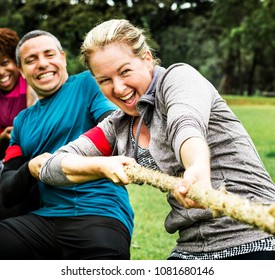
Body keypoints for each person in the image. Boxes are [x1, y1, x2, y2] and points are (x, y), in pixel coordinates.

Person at [38, 19, 275, 260]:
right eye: (105, 80)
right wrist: (101, 166)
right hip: (191, 248)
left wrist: (197, 168)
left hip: (254, 235)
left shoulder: (179, 80)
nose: (118, 88)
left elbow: (186, 125)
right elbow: (52, 167)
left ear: (147, 59)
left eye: (125, 71)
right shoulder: (118, 125)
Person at [0, 29, 134, 260]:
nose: (42, 64)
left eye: (49, 54)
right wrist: (31, 168)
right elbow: (7, 190)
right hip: (44, 220)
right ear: (21, 71)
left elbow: (116, 131)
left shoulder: (87, 84)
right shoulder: (22, 122)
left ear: (62, 58)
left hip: (98, 213)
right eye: (31, 60)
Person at [0, 28, 37, 219]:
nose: (1, 72)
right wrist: (3, 137)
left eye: (5, 63)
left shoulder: (31, 84)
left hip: (30, 156)